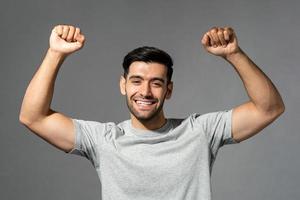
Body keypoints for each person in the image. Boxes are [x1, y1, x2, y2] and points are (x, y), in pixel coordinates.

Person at [19, 25, 285, 200]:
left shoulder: (199, 132)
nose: (145, 91)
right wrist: (55, 53)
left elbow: (269, 108)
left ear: (168, 90)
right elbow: (33, 117)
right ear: (123, 85)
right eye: (136, 81)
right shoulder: (103, 140)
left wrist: (234, 54)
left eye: (156, 83)